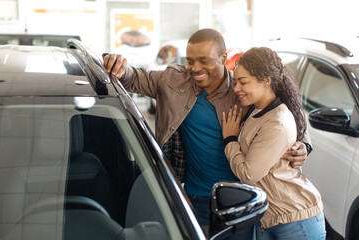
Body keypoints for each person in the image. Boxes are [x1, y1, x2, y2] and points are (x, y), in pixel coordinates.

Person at [103, 28, 310, 239]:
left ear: (223, 58)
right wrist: (119, 64)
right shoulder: (173, 81)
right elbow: (134, 78)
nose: (195, 68)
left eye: (204, 60)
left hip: (239, 200)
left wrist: (303, 142)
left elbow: (282, 112)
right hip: (195, 196)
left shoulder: (241, 89)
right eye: (190, 61)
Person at [222, 47, 325, 239]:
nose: (236, 89)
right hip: (267, 217)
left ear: (266, 80)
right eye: (235, 82)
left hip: (295, 220)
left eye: (243, 82)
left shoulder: (277, 122)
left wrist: (230, 139)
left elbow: (248, 173)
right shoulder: (256, 109)